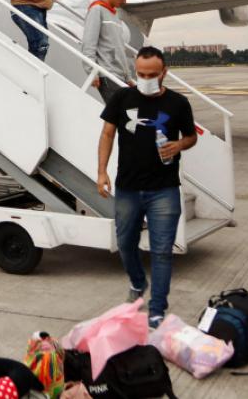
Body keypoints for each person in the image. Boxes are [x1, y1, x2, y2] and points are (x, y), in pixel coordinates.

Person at [96, 47, 198, 328]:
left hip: (163, 189)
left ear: (164, 72)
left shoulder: (178, 103)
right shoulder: (122, 97)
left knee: (162, 250)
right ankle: (138, 283)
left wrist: (179, 145)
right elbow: (107, 133)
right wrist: (101, 171)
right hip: (128, 187)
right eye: (141, 74)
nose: (146, 79)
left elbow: (191, 137)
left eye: (152, 75)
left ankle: (157, 308)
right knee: (126, 243)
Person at [82, 0, 136, 102]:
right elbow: (89, 43)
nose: (124, 2)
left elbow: (119, 48)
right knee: (118, 116)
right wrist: (92, 71)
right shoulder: (97, 10)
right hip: (107, 74)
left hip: (119, 75)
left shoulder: (115, 15)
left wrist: (128, 77)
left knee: (120, 116)